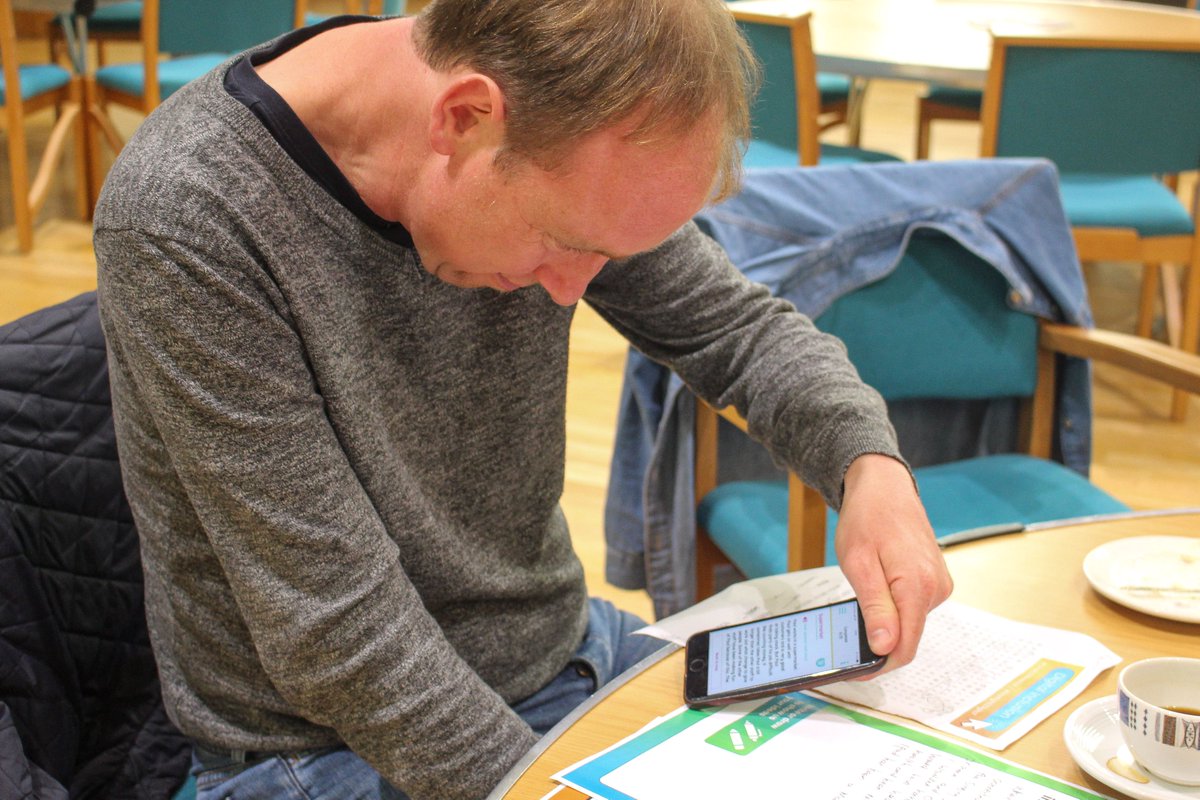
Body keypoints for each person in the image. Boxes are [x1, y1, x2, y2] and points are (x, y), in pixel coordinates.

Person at [92, 0, 953, 798]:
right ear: (463, 118)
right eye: (564, 244)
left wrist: (867, 464)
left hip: (558, 656)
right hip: (325, 745)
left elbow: (735, 331)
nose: (576, 289)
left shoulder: (565, 132)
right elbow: (339, 633)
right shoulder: (190, 212)